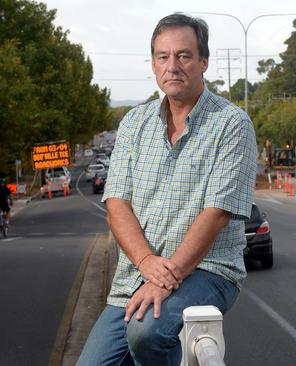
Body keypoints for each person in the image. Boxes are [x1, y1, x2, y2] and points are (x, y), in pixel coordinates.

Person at [78, 13, 257, 365]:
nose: (172, 66)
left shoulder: (231, 124)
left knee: (148, 332)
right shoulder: (133, 122)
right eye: (163, 56)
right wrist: (146, 264)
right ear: (154, 63)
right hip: (136, 276)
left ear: (204, 62)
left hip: (209, 269)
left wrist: (166, 276)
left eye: (184, 56)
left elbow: (217, 213)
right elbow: (117, 204)